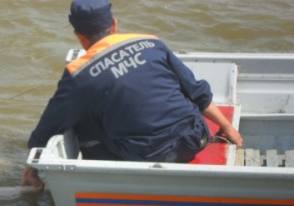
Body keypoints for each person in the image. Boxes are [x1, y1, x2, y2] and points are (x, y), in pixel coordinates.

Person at [21, 0, 242, 190]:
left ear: (78, 36)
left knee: (81, 115)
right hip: (195, 139)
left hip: (146, 155)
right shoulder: (151, 42)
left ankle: (101, 182)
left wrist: (32, 165)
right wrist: (227, 127)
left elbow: (52, 121)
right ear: (114, 24)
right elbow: (196, 90)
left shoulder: (77, 73)